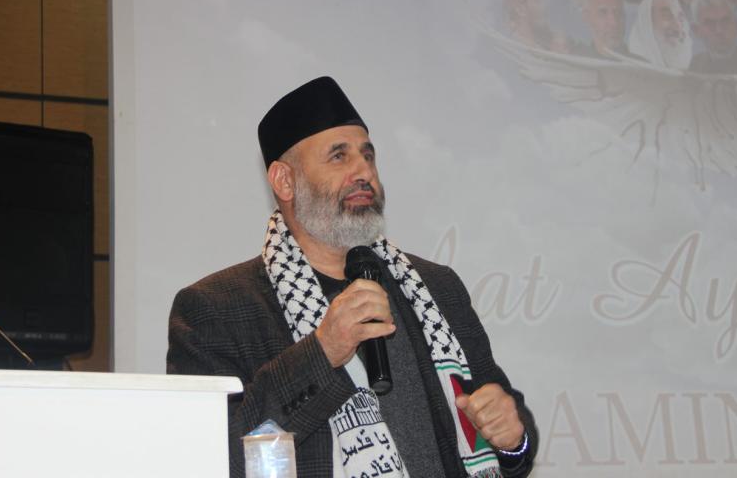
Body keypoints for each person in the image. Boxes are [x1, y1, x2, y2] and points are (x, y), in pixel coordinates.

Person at [167, 77, 538, 478]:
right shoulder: (215, 309)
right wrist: (321, 353)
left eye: (368, 155)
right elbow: (211, 456)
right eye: (339, 156)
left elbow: (509, 430)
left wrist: (513, 439)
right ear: (285, 181)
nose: (363, 171)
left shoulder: (435, 288)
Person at [689, 0, 737, 73]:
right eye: (710, 23)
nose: (719, 30)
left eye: (725, 21)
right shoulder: (692, 67)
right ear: (696, 30)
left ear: (736, 25)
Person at [629, 0, 693, 68]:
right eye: (667, 16)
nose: (677, 27)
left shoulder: (693, 69)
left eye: (681, 19)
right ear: (647, 23)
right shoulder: (631, 68)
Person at [576, 0, 641, 59]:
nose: (614, 22)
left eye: (618, 13)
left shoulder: (642, 65)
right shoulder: (575, 63)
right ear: (586, 17)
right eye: (603, 12)